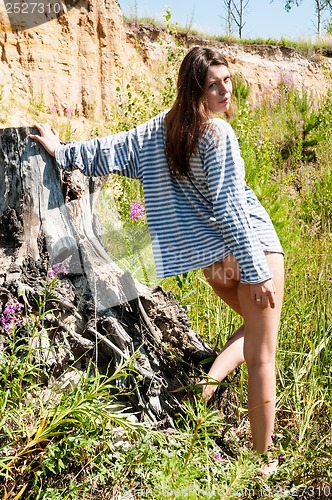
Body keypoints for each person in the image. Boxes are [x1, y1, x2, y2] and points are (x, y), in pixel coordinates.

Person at [30, 46, 284, 473]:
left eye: (227, 80)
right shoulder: (217, 134)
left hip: (214, 264)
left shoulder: (157, 133)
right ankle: (264, 462)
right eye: (213, 84)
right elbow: (230, 207)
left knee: (253, 333)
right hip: (252, 250)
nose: (224, 91)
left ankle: (204, 386)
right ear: (195, 91)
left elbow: (107, 151)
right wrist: (257, 271)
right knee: (263, 354)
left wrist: (63, 151)